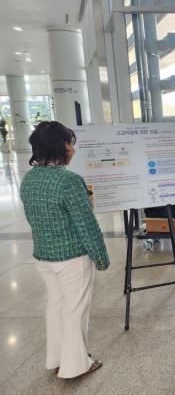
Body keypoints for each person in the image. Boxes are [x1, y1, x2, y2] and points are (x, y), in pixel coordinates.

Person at [20, 121, 110, 379]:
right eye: (70, 143)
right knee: (75, 311)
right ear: (60, 147)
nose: (73, 149)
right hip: (72, 257)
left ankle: (58, 359)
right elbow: (86, 223)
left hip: (43, 255)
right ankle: (76, 365)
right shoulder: (69, 181)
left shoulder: (29, 179)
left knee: (56, 307)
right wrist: (101, 256)